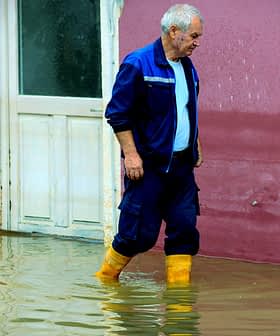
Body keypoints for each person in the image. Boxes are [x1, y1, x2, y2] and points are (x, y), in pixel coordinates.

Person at [96, 3, 204, 285]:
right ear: (173, 31)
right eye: (193, 36)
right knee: (137, 236)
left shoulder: (188, 67)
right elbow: (117, 114)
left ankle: (179, 312)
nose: (197, 43)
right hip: (147, 167)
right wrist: (131, 155)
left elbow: (186, 108)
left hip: (181, 167)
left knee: (184, 230)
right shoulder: (138, 63)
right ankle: (106, 281)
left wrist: (195, 142)